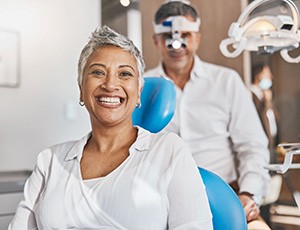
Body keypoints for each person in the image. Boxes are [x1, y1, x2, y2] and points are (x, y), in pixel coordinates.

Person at [8, 26, 213, 229]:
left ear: (139, 92)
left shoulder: (168, 150)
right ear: (81, 89)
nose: (110, 84)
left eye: (124, 74)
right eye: (98, 72)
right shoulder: (50, 160)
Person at [144, 0, 271, 224]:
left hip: (227, 197)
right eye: (168, 38)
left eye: (185, 35)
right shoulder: (142, 88)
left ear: (197, 38)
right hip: (163, 203)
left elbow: (252, 145)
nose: (177, 44)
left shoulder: (226, 81)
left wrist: (249, 193)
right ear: (156, 41)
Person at [250, 64, 280, 163]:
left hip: (271, 143)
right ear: (257, 76)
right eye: (267, 74)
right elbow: (258, 116)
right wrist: (266, 102)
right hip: (259, 144)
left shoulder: (267, 94)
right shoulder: (250, 95)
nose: (271, 77)